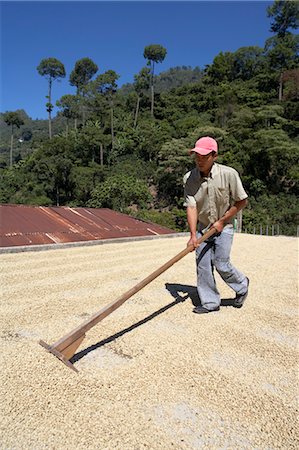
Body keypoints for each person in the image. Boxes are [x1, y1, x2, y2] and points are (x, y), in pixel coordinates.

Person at [183, 136, 249, 314]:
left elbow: (241, 201)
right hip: (203, 228)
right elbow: (191, 206)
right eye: (197, 156)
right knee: (202, 265)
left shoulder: (229, 174)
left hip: (224, 227)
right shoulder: (190, 178)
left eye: (204, 156)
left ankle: (242, 285)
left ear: (214, 156)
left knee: (221, 263)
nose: (199, 160)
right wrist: (192, 236)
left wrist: (222, 220)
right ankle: (210, 302)